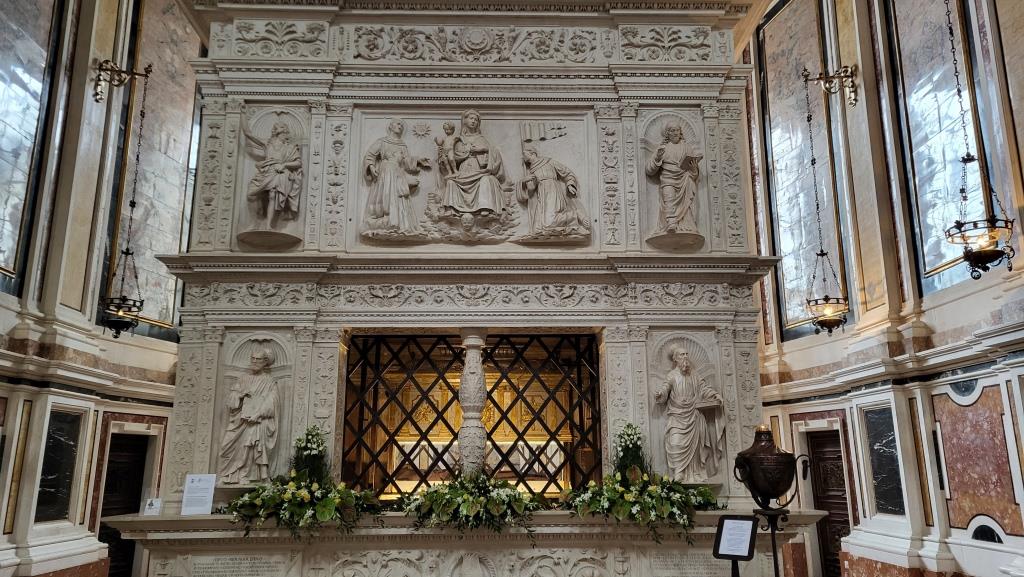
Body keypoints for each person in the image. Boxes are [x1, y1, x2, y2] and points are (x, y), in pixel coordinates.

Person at [653, 345, 724, 483]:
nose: (685, 357)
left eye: (686, 354)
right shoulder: (672, 375)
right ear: (675, 359)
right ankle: (679, 471)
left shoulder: (694, 375)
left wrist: (714, 395)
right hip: (677, 415)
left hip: (693, 415)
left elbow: (703, 388)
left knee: (696, 449)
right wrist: (660, 394)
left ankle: (694, 472)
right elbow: (665, 388)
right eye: (682, 354)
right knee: (675, 442)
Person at [219, 348, 280, 484]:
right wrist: (240, 394)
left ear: (265, 361)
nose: (254, 361)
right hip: (240, 421)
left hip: (258, 420)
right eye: (253, 358)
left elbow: (272, 401)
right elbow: (231, 400)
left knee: (255, 439)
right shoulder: (243, 379)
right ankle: (232, 474)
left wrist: (258, 414)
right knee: (228, 444)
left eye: (258, 359)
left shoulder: (269, 381)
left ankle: (251, 475)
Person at [362, 119, 431, 235]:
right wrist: (371, 167)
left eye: (402, 125)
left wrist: (418, 161)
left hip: (398, 173)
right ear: (391, 126)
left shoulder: (402, 145)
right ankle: (386, 220)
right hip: (385, 173)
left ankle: (399, 223)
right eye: (398, 124)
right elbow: (369, 155)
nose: (400, 126)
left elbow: (406, 162)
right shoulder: (382, 142)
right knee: (386, 195)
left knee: (400, 196)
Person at [439, 109, 508, 217]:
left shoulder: (482, 139)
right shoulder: (458, 140)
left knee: (487, 179)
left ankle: (485, 206)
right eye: (471, 118)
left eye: (476, 120)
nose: (473, 121)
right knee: (451, 182)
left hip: (479, 170)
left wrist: (482, 150)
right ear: (465, 121)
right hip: (463, 171)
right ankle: (451, 208)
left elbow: (492, 153)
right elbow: (452, 157)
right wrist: (464, 153)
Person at [242, 117, 303, 230]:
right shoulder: (267, 144)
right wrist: (242, 114)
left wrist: (284, 165)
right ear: (278, 133)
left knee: (272, 195)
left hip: (280, 173)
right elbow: (248, 134)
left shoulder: (290, 148)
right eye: (285, 133)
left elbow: (298, 163)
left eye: (286, 133)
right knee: (250, 194)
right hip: (266, 172)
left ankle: (268, 225)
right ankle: (254, 222)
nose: (286, 135)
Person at [518, 144, 590, 236]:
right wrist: (524, 181)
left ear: (532, 153)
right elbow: (531, 191)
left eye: (524, 154)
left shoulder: (548, 162)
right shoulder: (531, 170)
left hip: (552, 192)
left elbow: (567, 173)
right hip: (542, 196)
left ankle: (576, 215)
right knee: (538, 228)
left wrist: (570, 184)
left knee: (549, 222)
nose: (522, 157)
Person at [646, 122, 703, 234]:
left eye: (677, 130)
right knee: (669, 198)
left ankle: (686, 225)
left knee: (687, 204)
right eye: (673, 130)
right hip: (668, 180)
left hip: (684, 180)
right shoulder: (663, 148)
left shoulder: (687, 148)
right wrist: (657, 158)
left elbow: (694, 174)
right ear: (667, 133)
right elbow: (649, 170)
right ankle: (671, 223)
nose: (676, 133)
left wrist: (693, 168)